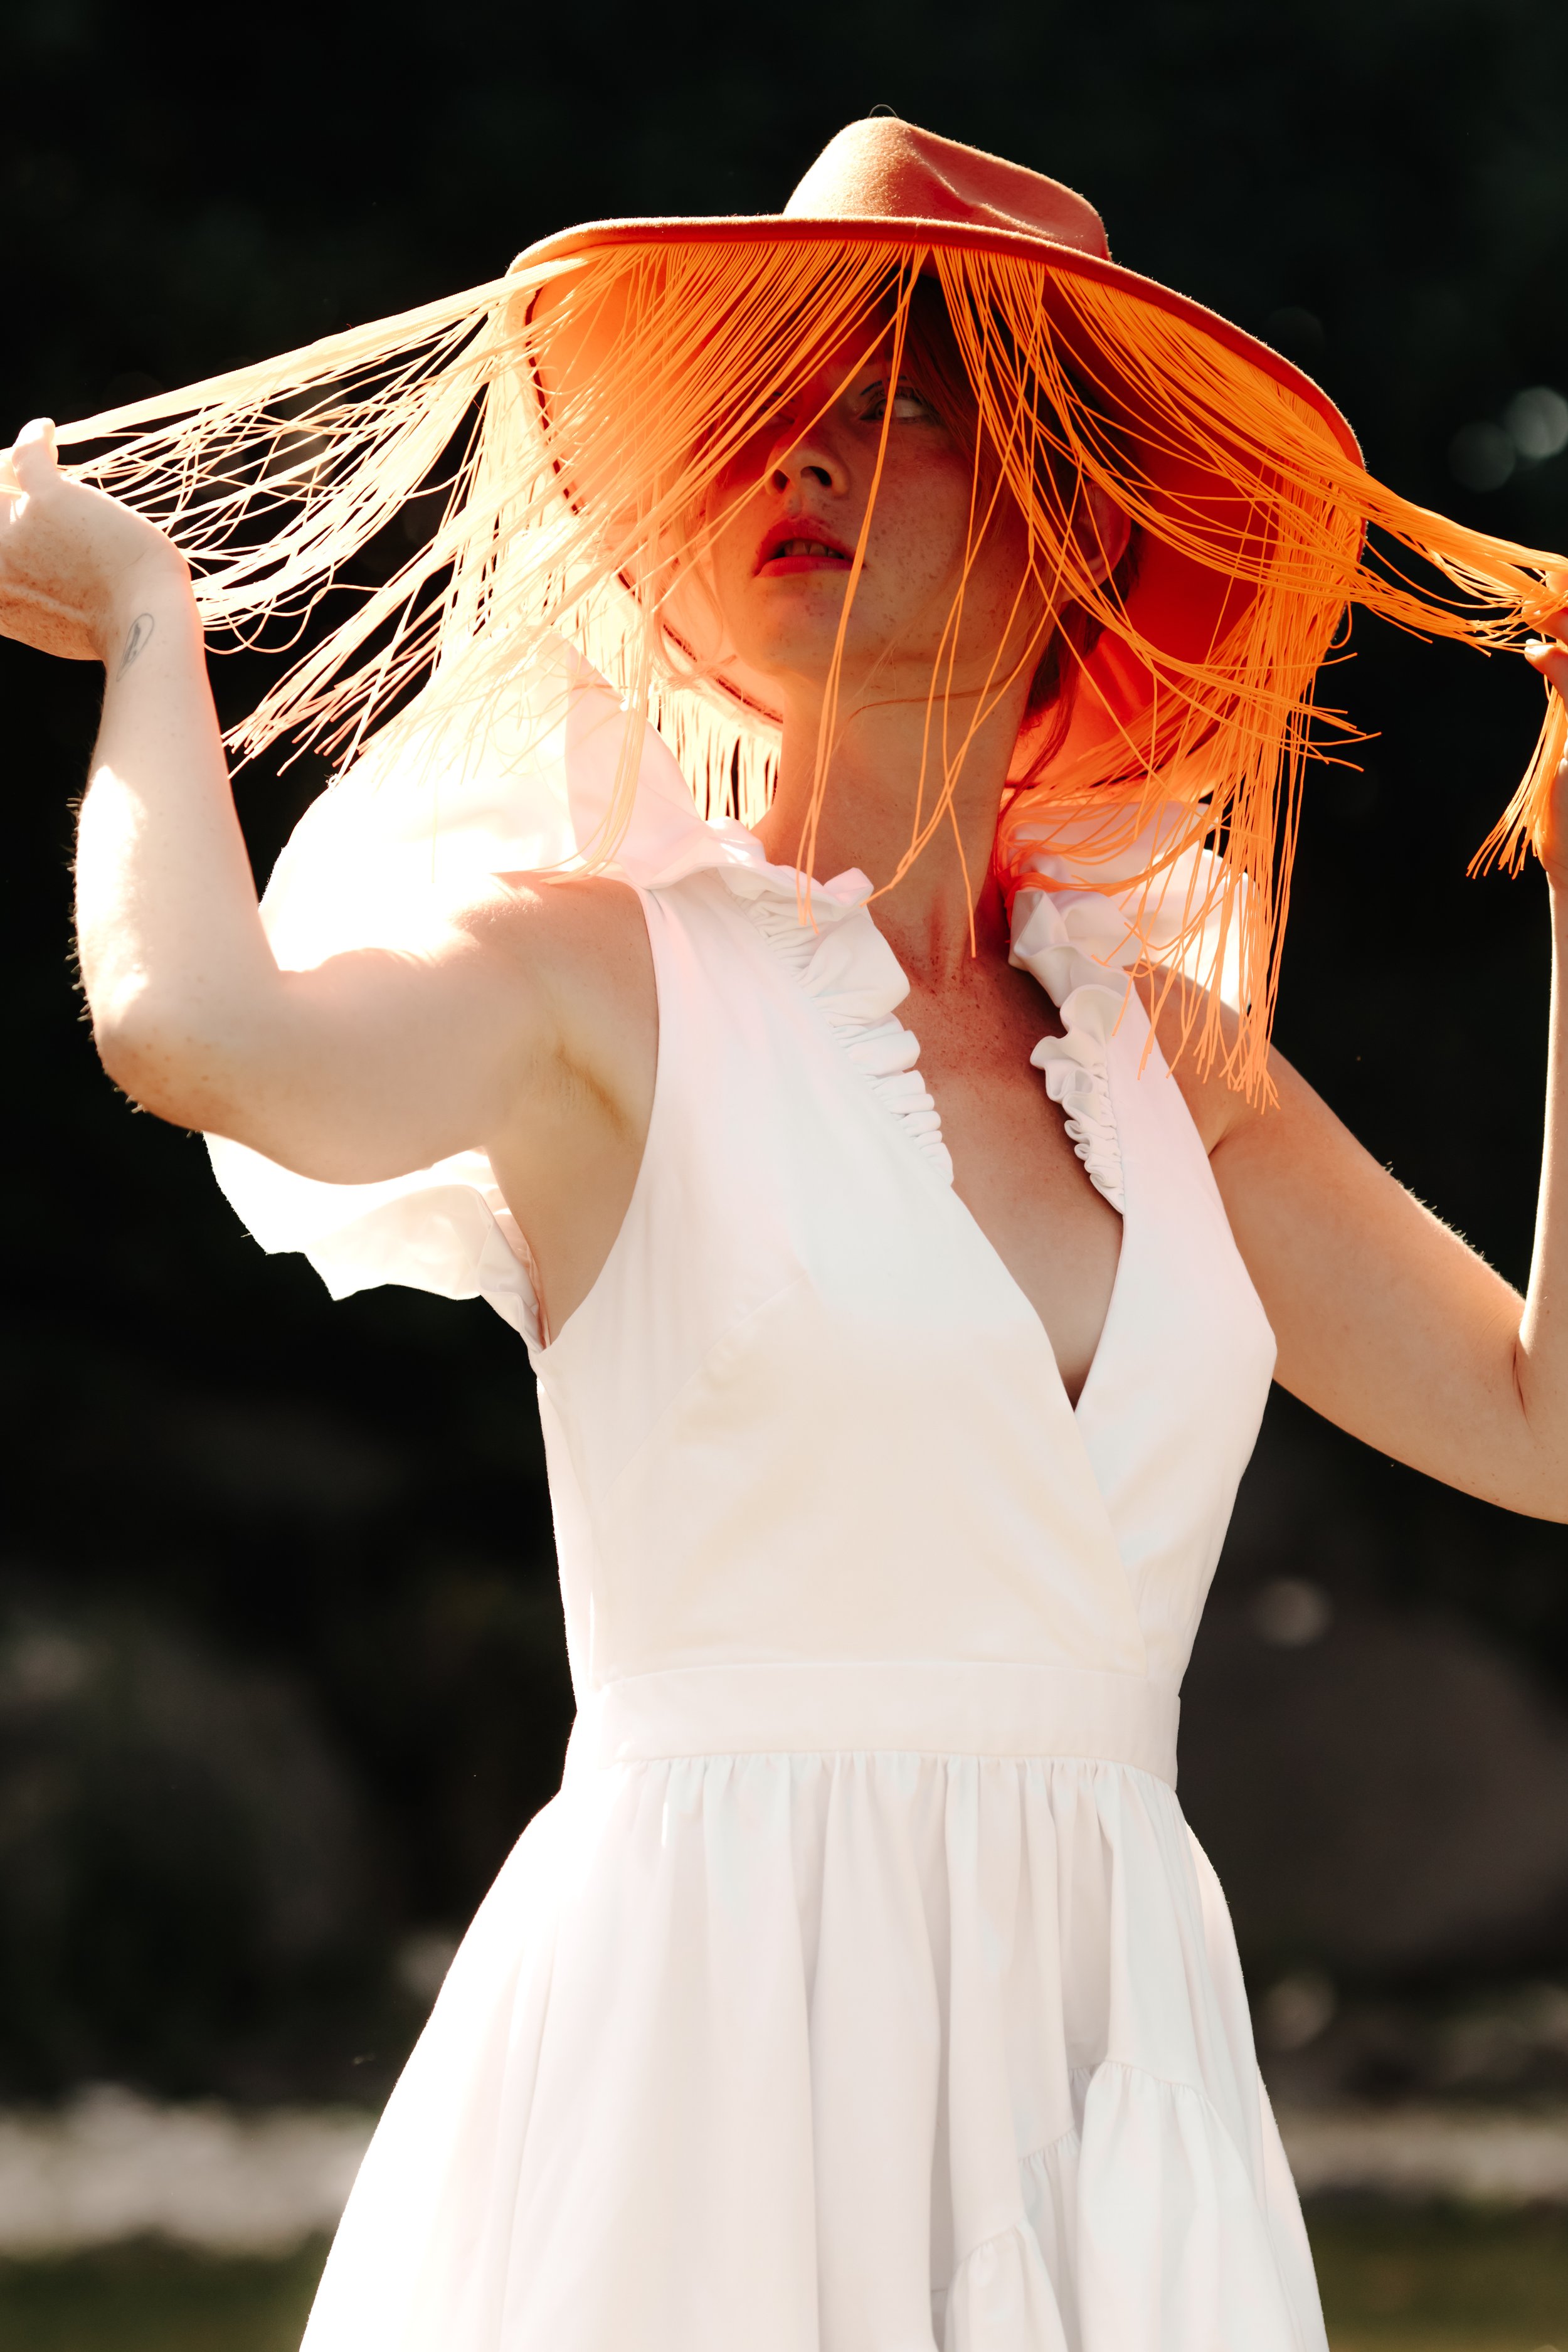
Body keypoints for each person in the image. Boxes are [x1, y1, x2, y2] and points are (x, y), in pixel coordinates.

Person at [5, 114, 1568, 2352]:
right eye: (772, 402)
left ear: (1072, 535)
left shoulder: (1168, 1061)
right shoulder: (598, 972)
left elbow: (1538, 1423)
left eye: (904, 404)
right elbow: (200, 1034)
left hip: (1103, 2076)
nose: (803, 449)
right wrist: (145, 628)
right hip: (698, 2067)